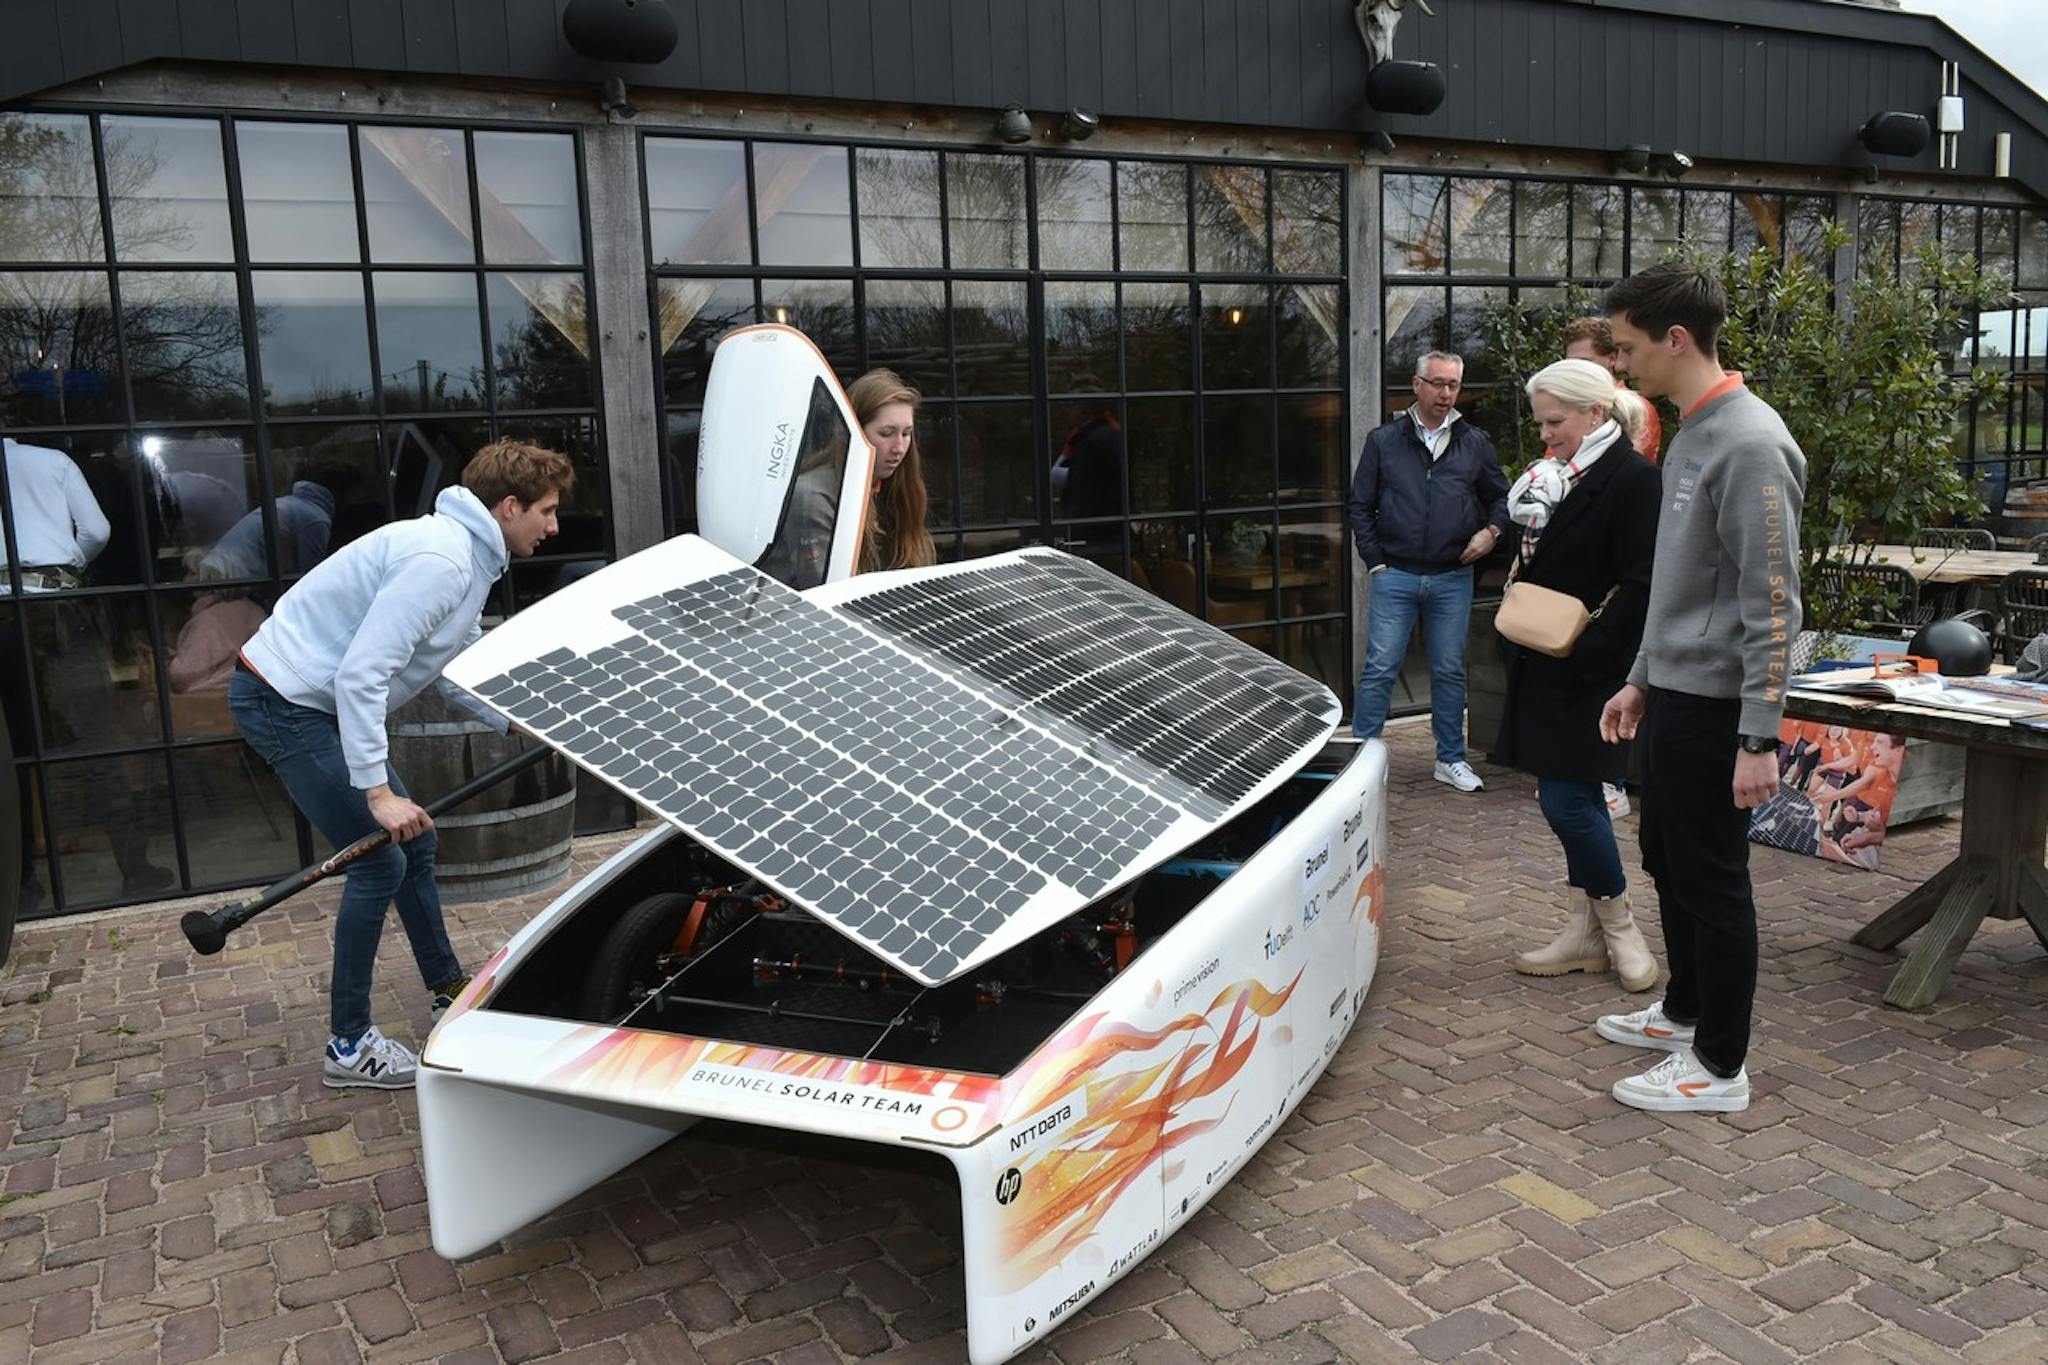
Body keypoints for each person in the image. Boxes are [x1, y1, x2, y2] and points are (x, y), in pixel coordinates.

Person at [229, 440, 572, 1090]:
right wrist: (378, 791)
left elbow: (452, 662)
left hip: (312, 702)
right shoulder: (441, 560)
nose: (553, 526)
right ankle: (349, 1044)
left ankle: (446, 986)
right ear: (508, 506)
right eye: (547, 511)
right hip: (283, 700)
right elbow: (363, 673)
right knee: (379, 856)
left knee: (416, 842)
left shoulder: (468, 558)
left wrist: (514, 721)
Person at [1595, 263, 1806, 1115]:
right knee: (1666, 858)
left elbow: (1774, 598)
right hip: (1677, 694)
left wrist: (1760, 736)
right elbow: (1683, 582)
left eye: (1629, 347)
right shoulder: (1694, 428)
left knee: (1713, 876)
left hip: (1721, 709)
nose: (1621, 365)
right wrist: (1643, 679)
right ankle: (1685, 1013)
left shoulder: (1751, 441)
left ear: (1675, 339)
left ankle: (1720, 1067)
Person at [1496, 359, 1663, 990]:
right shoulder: (1555, 476)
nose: (1545, 436)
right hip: (1545, 657)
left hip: (1592, 667)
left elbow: (1644, 585)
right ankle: (1586, 933)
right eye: (1541, 422)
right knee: (1577, 797)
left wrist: (1598, 653)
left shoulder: (1634, 480)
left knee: (1567, 799)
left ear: (1595, 414)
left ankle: (1621, 928)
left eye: (1555, 421)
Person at [1347, 350, 1510, 792]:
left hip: (1452, 576)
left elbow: (1502, 498)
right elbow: (1360, 506)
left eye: (1453, 385)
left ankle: (1450, 758)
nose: (1445, 393)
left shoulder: (1474, 442)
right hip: (1395, 573)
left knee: (1450, 669)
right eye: (1437, 383)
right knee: (1381, 666)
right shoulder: (1383, 441)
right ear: (1416, 385)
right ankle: (1362, 759)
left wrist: (1491, 532)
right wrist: (1375, 560)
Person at [847, 369, 936, 572]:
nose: (899, 448)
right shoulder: (819, 497)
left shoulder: (900, 487)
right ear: (855, 429)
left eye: (906, 434)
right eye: (886, 433)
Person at [1562, 316, 1662, 462]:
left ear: (1612, 359)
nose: (1576, 370)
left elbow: (1631, 465)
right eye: (1570, 364)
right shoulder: (1568, 403)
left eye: (1585, 362)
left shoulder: (1637, 409)